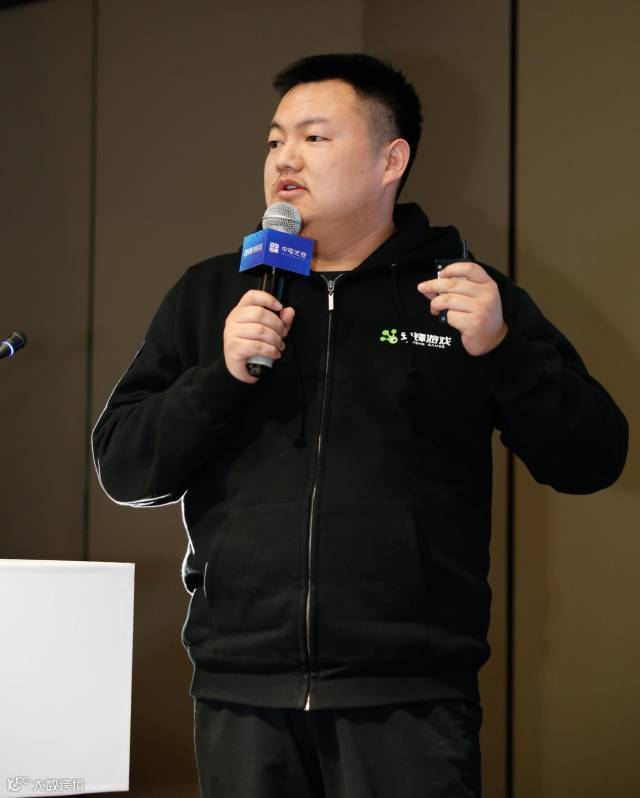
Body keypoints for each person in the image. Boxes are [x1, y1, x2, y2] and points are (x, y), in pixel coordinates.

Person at [91, 53, 628, 798]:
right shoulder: (214, 292)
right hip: (241, 691)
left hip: (409, 695)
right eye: (275, 140)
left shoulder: (463, 295)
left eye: (314, 138)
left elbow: (593, 456)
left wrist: (502, 351)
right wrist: (221, 375)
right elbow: (124, 467)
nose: (285, 158)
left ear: (390, 160)